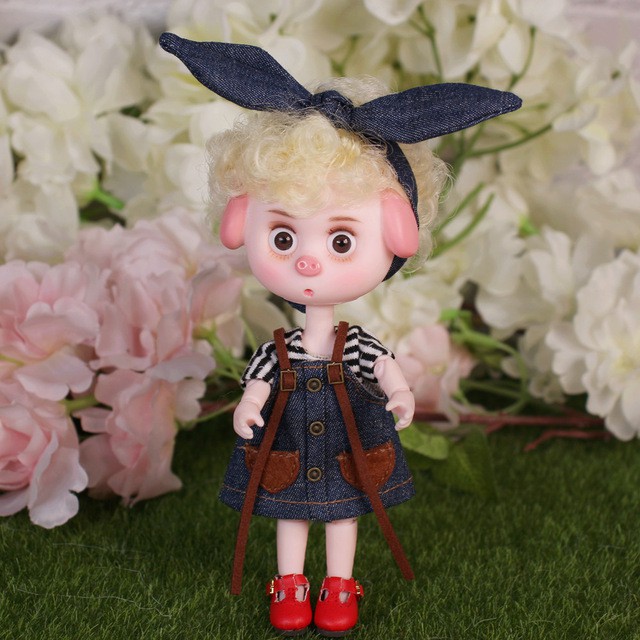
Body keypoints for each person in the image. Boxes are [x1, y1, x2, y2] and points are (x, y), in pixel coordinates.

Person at [159, 33, 521, 637]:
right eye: (283, 237)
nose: (308, 261)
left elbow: (382, 365)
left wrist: (400, 392)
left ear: (398, 234)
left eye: (342, 240)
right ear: (240, 221)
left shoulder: (354, 343)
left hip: (351, 441)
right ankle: (290, 583)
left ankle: (339, 583)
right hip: (287, 441)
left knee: (345, 513)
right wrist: (249, 404)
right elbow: (260, 378)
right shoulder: (279, 349)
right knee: (290, 513)